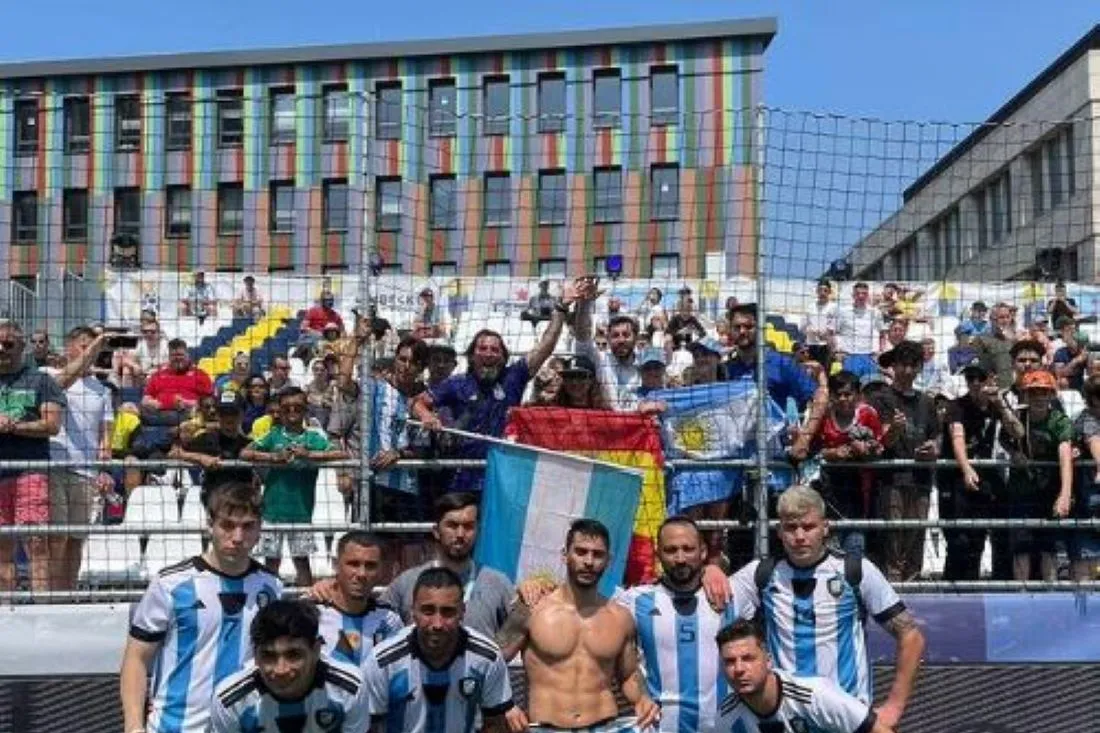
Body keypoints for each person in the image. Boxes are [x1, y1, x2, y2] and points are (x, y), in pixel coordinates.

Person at [711, 486, 924, 730]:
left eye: (808, 527)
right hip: (788, 721)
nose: (800, 536)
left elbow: (911, 636)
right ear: (779, 531)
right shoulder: (762, 574)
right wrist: (710, 570)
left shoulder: (854, 571)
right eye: (791, 528)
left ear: (825, 527)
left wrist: (894, 707)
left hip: (849, 718)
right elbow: (711, 609)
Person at [120, 482, 283, 733]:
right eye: (228, 525)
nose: (237, 537)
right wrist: (133, 727)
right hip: (175, 727)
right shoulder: (171, 584)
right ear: (210, 524)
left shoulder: (271, 588)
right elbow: (136, 658)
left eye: (247, 526)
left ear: (260, 528)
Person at [495, 519, 661, 731]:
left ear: (608, 560)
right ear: (565, 555)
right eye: (581, 552)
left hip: (604, 726)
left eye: (597, 554)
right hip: (546, 727)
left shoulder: (620, 617)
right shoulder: (532, 609)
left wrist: (642, 699)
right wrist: (505, 704)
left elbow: (628, 674)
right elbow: (493, 662)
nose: (589, 561)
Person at [411, 279, 575, 492]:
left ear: (503, 356)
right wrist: (426, 415)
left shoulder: (513, 377)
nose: (489, 353)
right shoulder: (456, 383)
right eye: (483, 348)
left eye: (495, 350)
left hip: (502, 475)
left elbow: (546, 345)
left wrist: (561, 309)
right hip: (461, 476)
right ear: (472, 355)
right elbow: (417, 402)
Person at [615, 517, 742, 733]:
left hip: (725, 726)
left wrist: (713, 568)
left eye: (688, 549)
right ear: (658, 555)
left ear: (702, 552)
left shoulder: (732, 593)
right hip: (661, 727)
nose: (680, 558)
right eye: (671, 550)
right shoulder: (634, 600)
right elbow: (588, 609)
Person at [363, 567, 524, 733]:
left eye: (448, 612)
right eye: (428, 611)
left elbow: (494, 723)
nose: (437, 624)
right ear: (413, 612)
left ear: (462, 611)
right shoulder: (384, 662)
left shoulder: (486, 657)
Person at [241, 386, 348, 586]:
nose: (292, 412)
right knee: (271, 563)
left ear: (306, 410)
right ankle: (269, 603)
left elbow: (341, 453)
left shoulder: (313, 438)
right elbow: (245, 453)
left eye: (297, 408)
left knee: (302, 563)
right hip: (272, 512)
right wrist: (273, 457)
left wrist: (309, 455)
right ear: (279, 411)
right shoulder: (273, 435)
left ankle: (306, 605)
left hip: (301, 513)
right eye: (286, 408)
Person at [210, 600, 369, 733]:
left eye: (293, 655)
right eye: (269, 656)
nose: (281, 670)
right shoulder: (231, 700)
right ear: (255, 656)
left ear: (316, 650)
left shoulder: (349, 688)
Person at [715, 619, 892, 733]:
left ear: (768, 661)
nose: (738, 669)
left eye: (748, 658)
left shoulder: (815, 695)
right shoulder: (726, 718)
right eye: (729, 662)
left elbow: (878, 729)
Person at [376, 493, 514, 636]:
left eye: (468, 526)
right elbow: (376, 624)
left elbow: (519, 630)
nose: (460, 534)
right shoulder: (406, 583)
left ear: (477, 531)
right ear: (436, 531)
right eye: (452, 525)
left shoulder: (498, 584)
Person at [939, 356, 1024, 582]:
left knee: (990, 536)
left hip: (985, 477)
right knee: (960, 540)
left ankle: (988, 588)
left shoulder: (998, 404)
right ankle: (954, 591)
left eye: (980, 377)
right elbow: (957, 436)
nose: (975, 382)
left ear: (991, 379)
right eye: (970, 378)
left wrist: (1001, 405)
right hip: (957, 478)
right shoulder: (957, 405)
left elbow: (1018, 433)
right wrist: (966, 469)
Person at [44, 326, 115, 590]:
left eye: (95, 346)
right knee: (56, 537)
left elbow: (105, 435)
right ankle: (50, 596)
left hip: (85, 472)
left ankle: (68, 593)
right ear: (69, 348)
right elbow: (65, 379)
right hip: (54, 466)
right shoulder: (49, 376)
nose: (92, 351)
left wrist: (104, 470)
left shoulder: (101, 389)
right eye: (85, 345)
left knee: (76, 538)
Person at [0, 320, 66, 594]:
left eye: (8, 344)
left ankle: (42, 613)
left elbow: (52, 425)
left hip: (30, 469)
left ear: (22, 345)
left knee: (37, 541)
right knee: (2, 544)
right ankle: (4, 613)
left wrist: (14, 426)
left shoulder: (41, 380)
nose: (1, 348)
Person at [868, 340, 940, 582]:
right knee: (892, 536)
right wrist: (894, 431)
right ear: (894, 366)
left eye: (913, 365)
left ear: (920, 367)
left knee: (916, 536)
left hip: (920, 479)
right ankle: (892, 588)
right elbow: (881, 442)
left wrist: (934, 448)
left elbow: (936, 435)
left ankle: (914, 585)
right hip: (891, 479)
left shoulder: (927, 402)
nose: (907, 371)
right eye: (902, 364)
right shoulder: (879, 398)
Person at [999, 369, 1074, 581]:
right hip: (1021, 492)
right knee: (1020, 547)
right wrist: (1014, 453)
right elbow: (1004, 438)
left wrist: (1065, 494)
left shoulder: (1059, 420)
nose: (1039, 397)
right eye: (1034, 392)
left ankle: (1049, 593)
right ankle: (1021, 595)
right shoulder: (1017, 417)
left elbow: (1065, 453)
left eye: (1044, 392)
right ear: (1025, 395)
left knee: (1047, 547)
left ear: (1052, 394)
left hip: (1048, 492)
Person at [811, 370, 884, 558]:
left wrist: (866, 448)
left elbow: (879, 446)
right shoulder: (822, 416)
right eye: (838, 394)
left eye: (848, 394)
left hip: (861, 488)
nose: (843, 399)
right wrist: (832, 453)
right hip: (829, 487)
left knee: (855, 542)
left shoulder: (867, 415)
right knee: (830, 542)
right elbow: (812, 450)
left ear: (857, 395)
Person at [317, 532, 403, 671]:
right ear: (336, 565)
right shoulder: (312, 613)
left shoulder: (389, 620)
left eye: (370, 566)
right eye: (353, 564)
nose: (361, 574)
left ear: (381, 570)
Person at [172, 389, 256, 505]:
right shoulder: (206, 438)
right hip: (214, 502)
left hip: (242, 502)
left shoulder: (249, 443)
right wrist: (201, 458)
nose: (228, 418)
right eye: (223, 412)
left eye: (233, 412)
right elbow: (175, 453)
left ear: (242, 414)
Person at [141, 338, 215, 424]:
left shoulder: (200, 374)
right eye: (173, 355)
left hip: (188, 414)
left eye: (180, 355)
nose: (177, 358)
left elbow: (211, 402)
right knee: (129, 408)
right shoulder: (158, 375)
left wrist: (187, 403)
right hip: (158, 414)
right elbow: (145, 398)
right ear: (169, 357)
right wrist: (150, 402)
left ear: (187, 355)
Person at [835, 282, 885, 378]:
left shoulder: (875, 312)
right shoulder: (843, 312)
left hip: (870, 356)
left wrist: (880, 352)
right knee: (851, 388)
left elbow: (882, 334)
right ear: (853, 295)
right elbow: (834, 333)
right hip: (849, 356)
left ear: (868, 295)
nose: (861, 296)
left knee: (870, 388)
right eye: (858, 293)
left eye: (864, 293)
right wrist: (837, 351)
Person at [800, 279, 837, 368]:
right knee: (811, 374)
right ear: (817, 291)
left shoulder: (834, 307)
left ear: (830, 292)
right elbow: (802, 327)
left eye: (825, 290)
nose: (822, 293)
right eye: (820, 290)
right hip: (811, 345)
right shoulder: (810, 307)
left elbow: (836, 326)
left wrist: (826, 333)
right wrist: (810, 330)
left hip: (826, 346)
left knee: (824, 373)